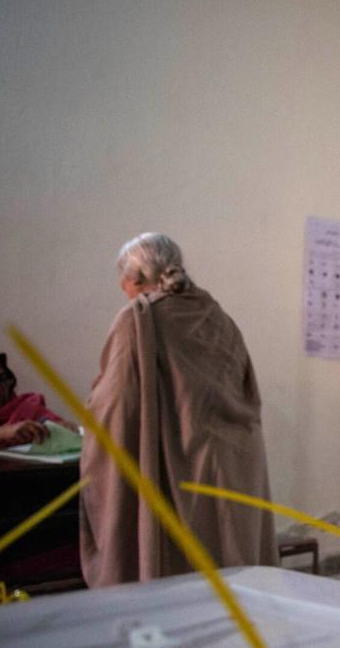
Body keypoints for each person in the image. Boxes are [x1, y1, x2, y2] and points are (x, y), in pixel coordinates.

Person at [80, 233, 278, 587]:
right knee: (228, 571)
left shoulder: (137, 320)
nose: (121, 287)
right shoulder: (219, 318)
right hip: (233, 467)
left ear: (137, 279)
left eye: (122, 279)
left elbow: (116, 404)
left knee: (180, 581)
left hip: (176, 475)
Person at [0, 352, 70, 449]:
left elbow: (64, 428)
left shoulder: (27, 407)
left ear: (10, 380)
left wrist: (57, 429)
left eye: (0, 379)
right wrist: (6, 432)